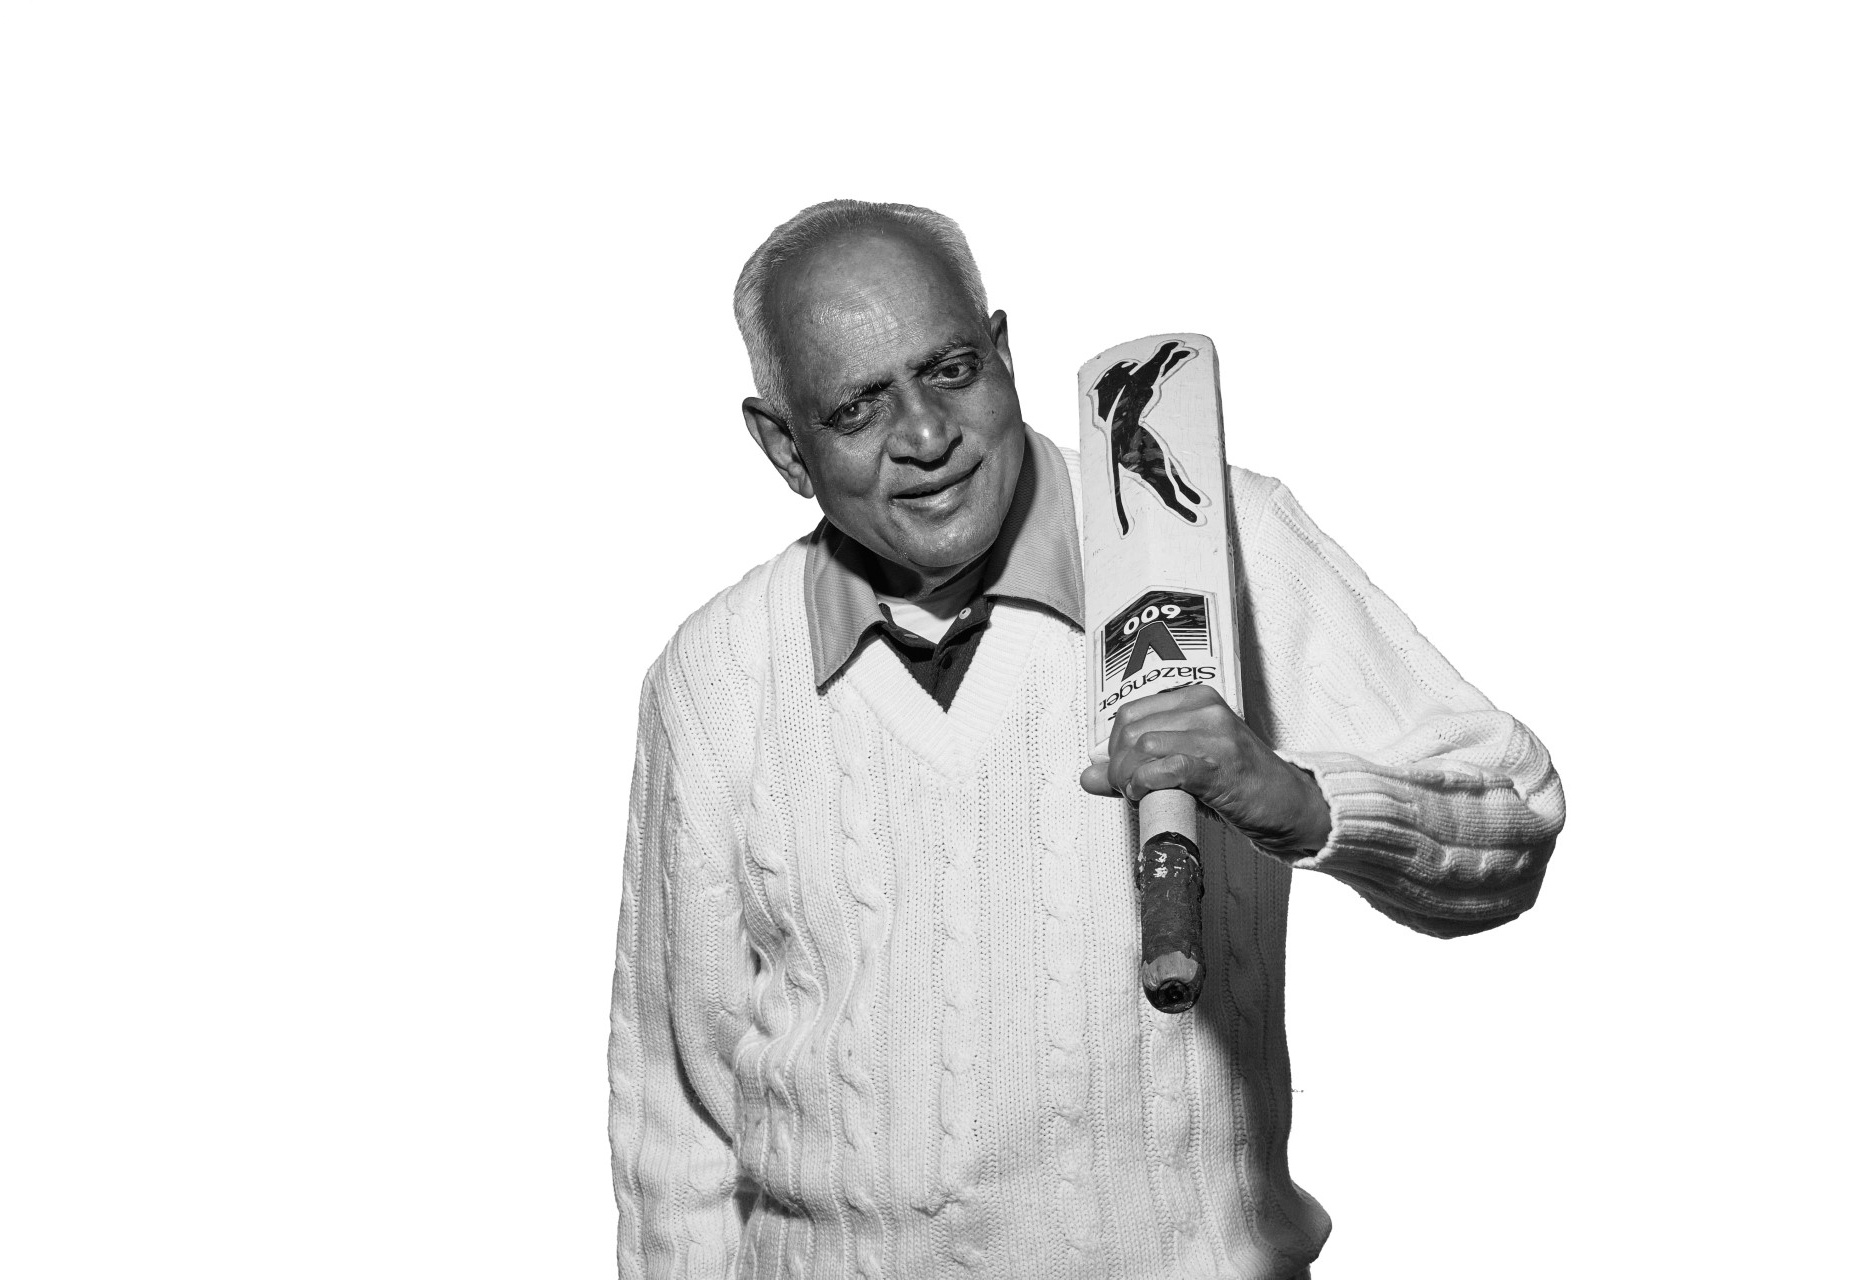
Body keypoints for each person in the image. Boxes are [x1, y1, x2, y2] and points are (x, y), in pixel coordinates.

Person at [608, 199, 1565, 1279]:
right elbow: (676, 1120)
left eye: (952, 369)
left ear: (1007, 353)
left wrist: (1297, 797)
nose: (926, 435)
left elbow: (1513, 812)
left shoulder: (1218, 543)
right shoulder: (718, 673)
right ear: (784, 445)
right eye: (858, 408)